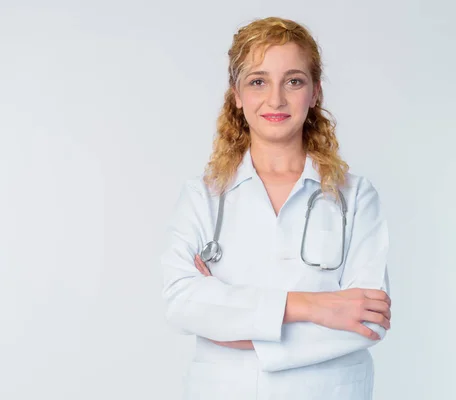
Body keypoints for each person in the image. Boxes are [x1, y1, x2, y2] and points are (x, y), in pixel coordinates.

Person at [160, 17, 391, 400]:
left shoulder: (357, 197)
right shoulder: (203, 197)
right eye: (258, 81)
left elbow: (369, 321)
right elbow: (182, 304)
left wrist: (234, 327)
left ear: (315, 92)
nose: (276, 99)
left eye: (294, 81)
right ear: (236, 94)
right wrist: (313, 306)